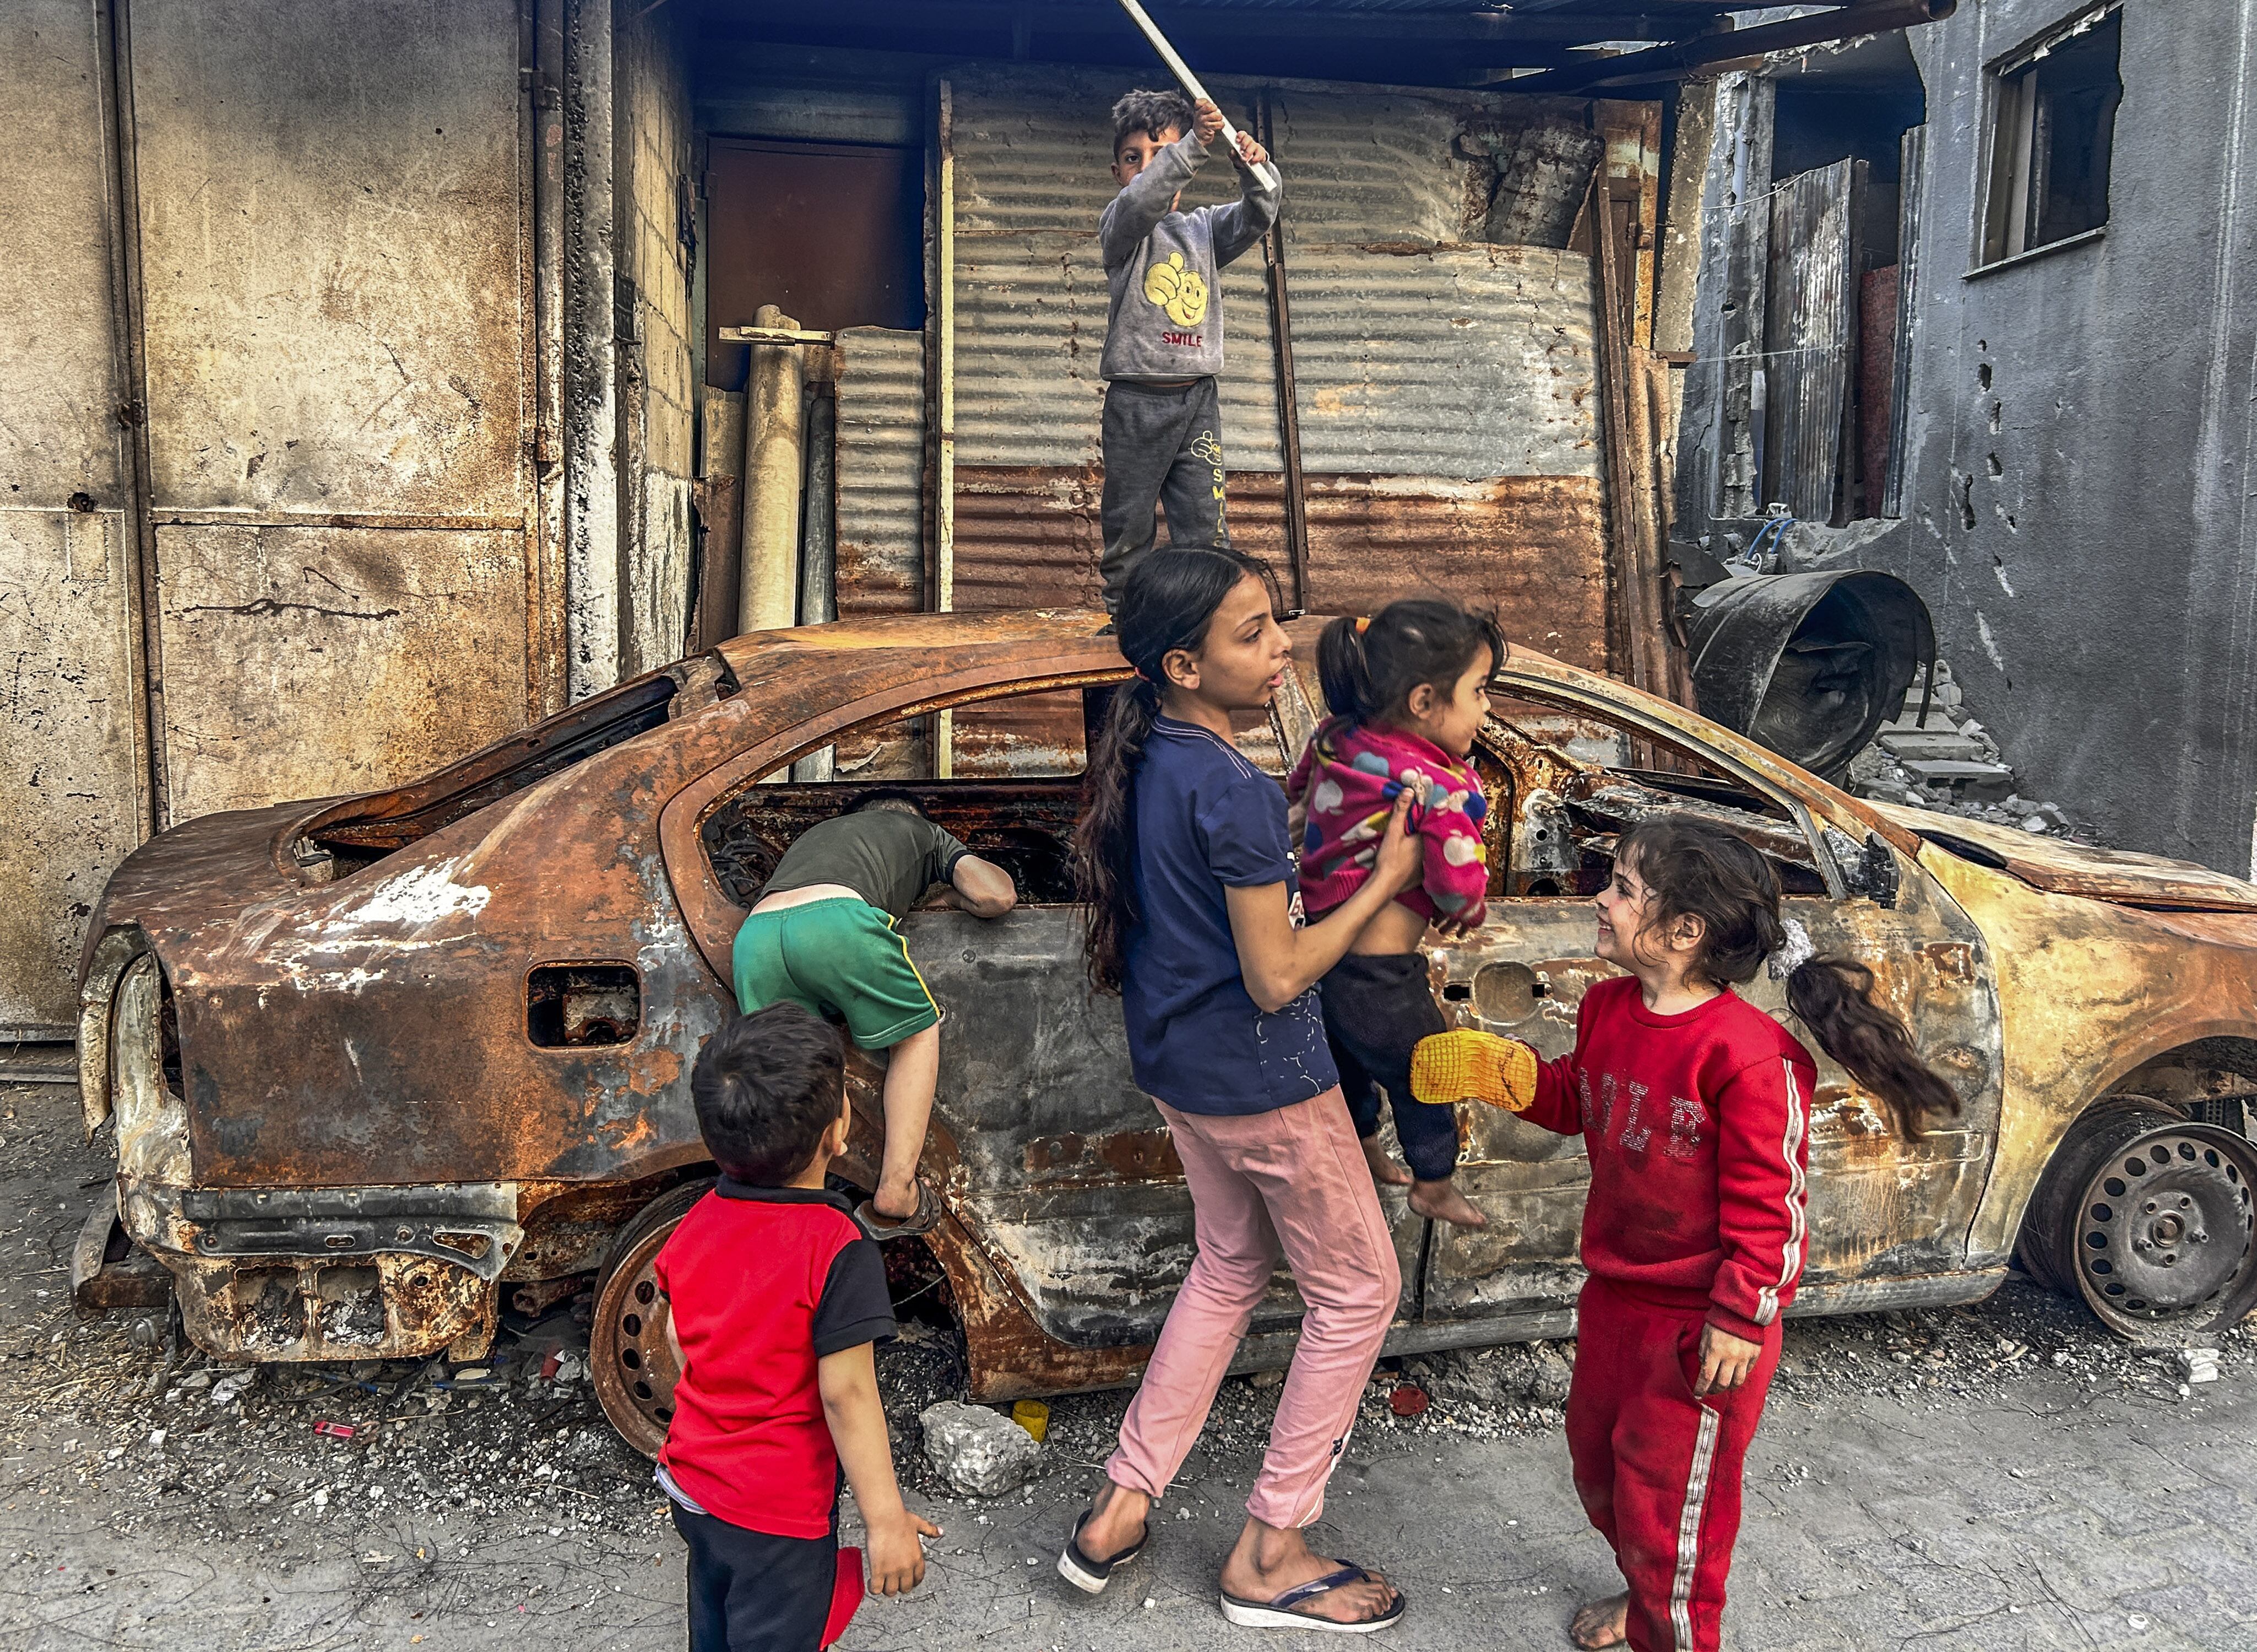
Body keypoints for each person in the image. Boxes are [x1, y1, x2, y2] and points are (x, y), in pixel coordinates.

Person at [1059, 547, 1419, 1633]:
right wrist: (1386, 884)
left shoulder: (1149, 756)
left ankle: (1118, 1511)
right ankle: (1272, 1548)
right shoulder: (1233, 788)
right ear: (1182, 663)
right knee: (1359, 1293)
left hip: (1183, 1070)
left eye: (1275, 625)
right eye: (1251, 633)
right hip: (1266, 1081)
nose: (1280, 651)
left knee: (1228, 1268)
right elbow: (1277, 975)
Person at [1501, 817, 1961, 1652]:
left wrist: (1742, 1315)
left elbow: (1771, 1207)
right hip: (1615, 1300)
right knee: (1600, 1472)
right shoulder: (1607, 1007)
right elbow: (1583, 1099)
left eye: (1622, 890)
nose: (1598, 901)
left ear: (1682, 933)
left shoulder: (1751, 1058)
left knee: (1670, 1505)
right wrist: (1512, 1077)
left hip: (1701, 1330)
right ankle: (1647, 1596)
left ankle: (1672, 1631)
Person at [655, 1002, 943, 1651]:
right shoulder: (836, 1246)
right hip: (777, 1514)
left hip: (693, 1484)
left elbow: (676, 1337)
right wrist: (886, 1518)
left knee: (717, 1623)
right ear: (835, 1132)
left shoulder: (699, 1218)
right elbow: (847, 1395)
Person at [1288, 601, 1506, 1230]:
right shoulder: (1439, 786)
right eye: (1480, 691)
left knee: (1351, 1059)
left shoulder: (1337, 736)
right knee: (1425, 1070)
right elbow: (1455, 870)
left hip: (1324, 952)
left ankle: (1362, 1143)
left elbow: (1300, 788)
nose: (1487, 708)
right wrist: (1467, 907)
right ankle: (1433, 1184)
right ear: (1423, 702)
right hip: (1383, 972)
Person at [732, 790, 1017, 1236]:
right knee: (917, 1036)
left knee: (807, 1073)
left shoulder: (815, 837)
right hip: (836, 924)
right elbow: (997, 896)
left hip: (756, 939)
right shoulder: (924, 833)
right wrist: (955, 897)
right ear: (911, 816)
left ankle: (797, 1199)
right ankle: (896, 1189)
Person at [1095, 89, 1279, 615]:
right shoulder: (1121, 228)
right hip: (1137, 404)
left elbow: (1259, 212)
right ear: (1118, 172)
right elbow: (1144, 200)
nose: (1148, 169)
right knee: (1129, 523)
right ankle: (1124, 618)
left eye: (1162, 154)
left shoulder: (1201, 231)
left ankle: (1207, 617)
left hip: (1197, 401)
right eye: (1135, 159)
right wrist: (1192, 145)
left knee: (1205, 523)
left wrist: (1255, 170)